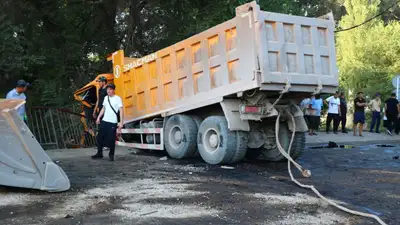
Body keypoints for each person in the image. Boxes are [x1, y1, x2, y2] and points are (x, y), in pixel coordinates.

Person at [92, 84, 124, 161]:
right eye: (107, 89)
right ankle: (99, 153)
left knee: (111, 139)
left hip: (112, 122)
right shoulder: (106, 98)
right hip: (104, 120)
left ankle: (111, 154)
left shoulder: (117, 98)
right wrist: (99, 117)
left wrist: (121, 122)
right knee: (99, 137)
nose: (108, 91)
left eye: (110, 89)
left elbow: (121, 111)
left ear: (113, 90)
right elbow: (103, 108)